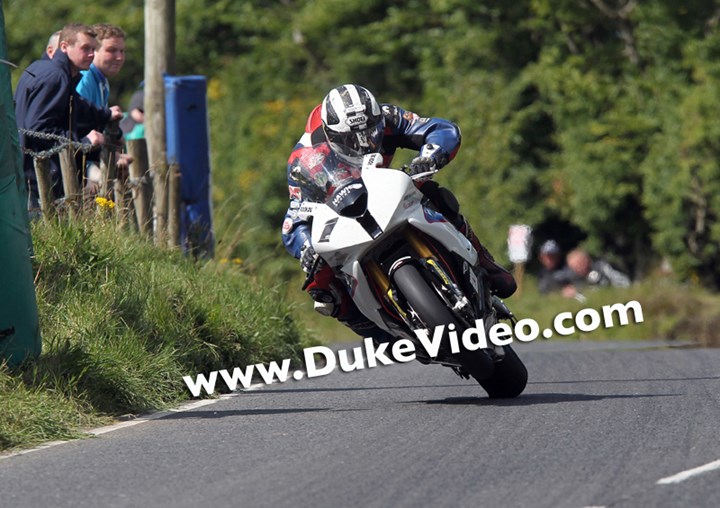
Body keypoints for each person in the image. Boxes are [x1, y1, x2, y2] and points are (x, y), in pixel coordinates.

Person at [281, 83, 516, 344]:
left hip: (387, 193)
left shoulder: (388, 117)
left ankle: (484, 262)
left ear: (377, 120)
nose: (364, 144)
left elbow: (441, 129)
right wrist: (305, 248)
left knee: (435, 193)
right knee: (321, 285)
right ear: (330, 134)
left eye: (371, 132)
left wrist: (429, 156)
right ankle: (377, 335)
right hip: (346, 219)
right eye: (351, 139)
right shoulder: (305, 160)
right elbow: (293, 221)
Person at [14, 23, 123, 210]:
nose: (91, 54)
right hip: (35, 182)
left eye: (93, 49)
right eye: (85, 48)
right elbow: (37, 129)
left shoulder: (49, 71)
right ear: (64, 47)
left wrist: (106, 114)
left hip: (30, 176)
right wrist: (84, 141)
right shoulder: (54, 77)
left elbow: (78, 106)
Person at [75, 23, 131, 187]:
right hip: (79, 170)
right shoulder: (85, 79)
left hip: (91, 161)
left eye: (122, 51)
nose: (119, 57)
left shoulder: (102, 81)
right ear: (94, 51)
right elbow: (79, 124)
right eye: (111, 50)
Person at [559, 248, 631, 300]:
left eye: (579, 264)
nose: (577, 269)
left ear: (587, 260)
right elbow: (586, 300)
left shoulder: (602, 267)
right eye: (573, 267)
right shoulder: (576, 280)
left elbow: (625, 283)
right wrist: (575, 295)